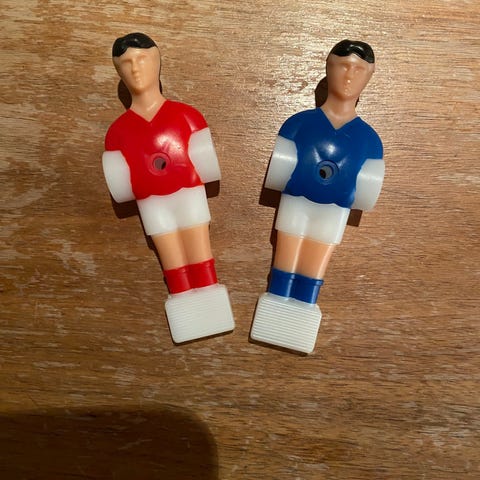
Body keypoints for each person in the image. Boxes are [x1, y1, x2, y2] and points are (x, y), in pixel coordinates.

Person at [251, 40, 385, 354]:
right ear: (328, 68)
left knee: (316, 260)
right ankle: (277, 299)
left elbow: (367, 189)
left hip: (334, 211)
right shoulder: (298, 124)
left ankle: (303, 307)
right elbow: (279, 170)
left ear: (369, 77)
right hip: (296, 202)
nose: (349, 75)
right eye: (342, 66)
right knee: (287, 250)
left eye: (358, 69)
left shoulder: (370, 140)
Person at [102, 33, 234, 344]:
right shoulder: (117, 133)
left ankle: (210, 301)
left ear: (158, 62)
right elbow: (120, 184)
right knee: (170, 255)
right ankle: (184, 303)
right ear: (119, 71)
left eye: (142, 59)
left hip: (189, 195)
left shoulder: (187, 116)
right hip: (152, 204)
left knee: (199, 247)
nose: (136, 68)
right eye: (126, 63)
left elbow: (206, 164)